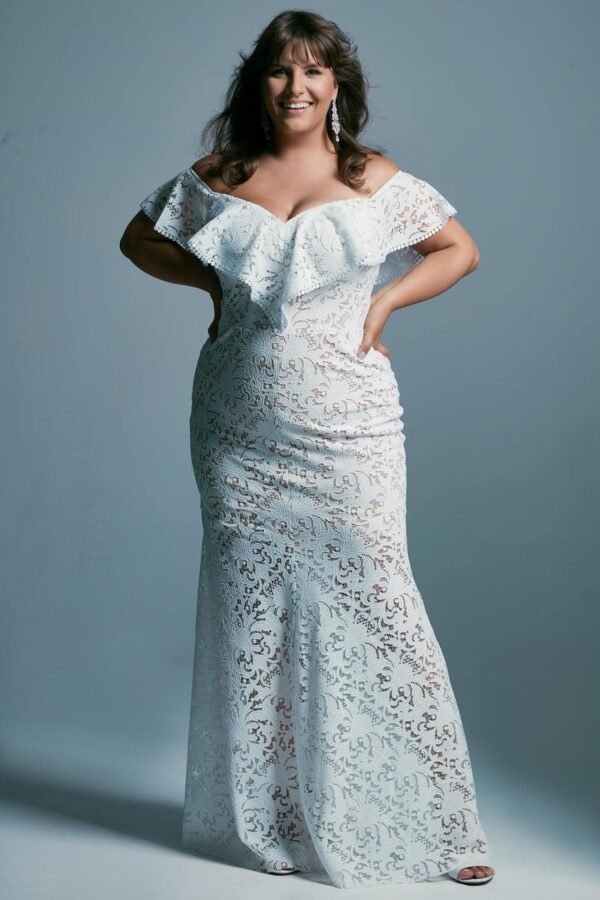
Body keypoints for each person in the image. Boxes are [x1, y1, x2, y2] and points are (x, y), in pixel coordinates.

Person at [119, 9, 495, 890]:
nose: (296, 86)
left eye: (313, 71)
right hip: (236, 428)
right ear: (260, 83)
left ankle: (446, 826)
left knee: (382, 602)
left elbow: (459, 251)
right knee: (255, 615)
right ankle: (274, 818)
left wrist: (382, 303)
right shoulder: (224, 173)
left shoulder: (371, 176)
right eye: (280, 71)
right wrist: (213, 284)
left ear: (336, 86)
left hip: (348, 426)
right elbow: (139, 240)